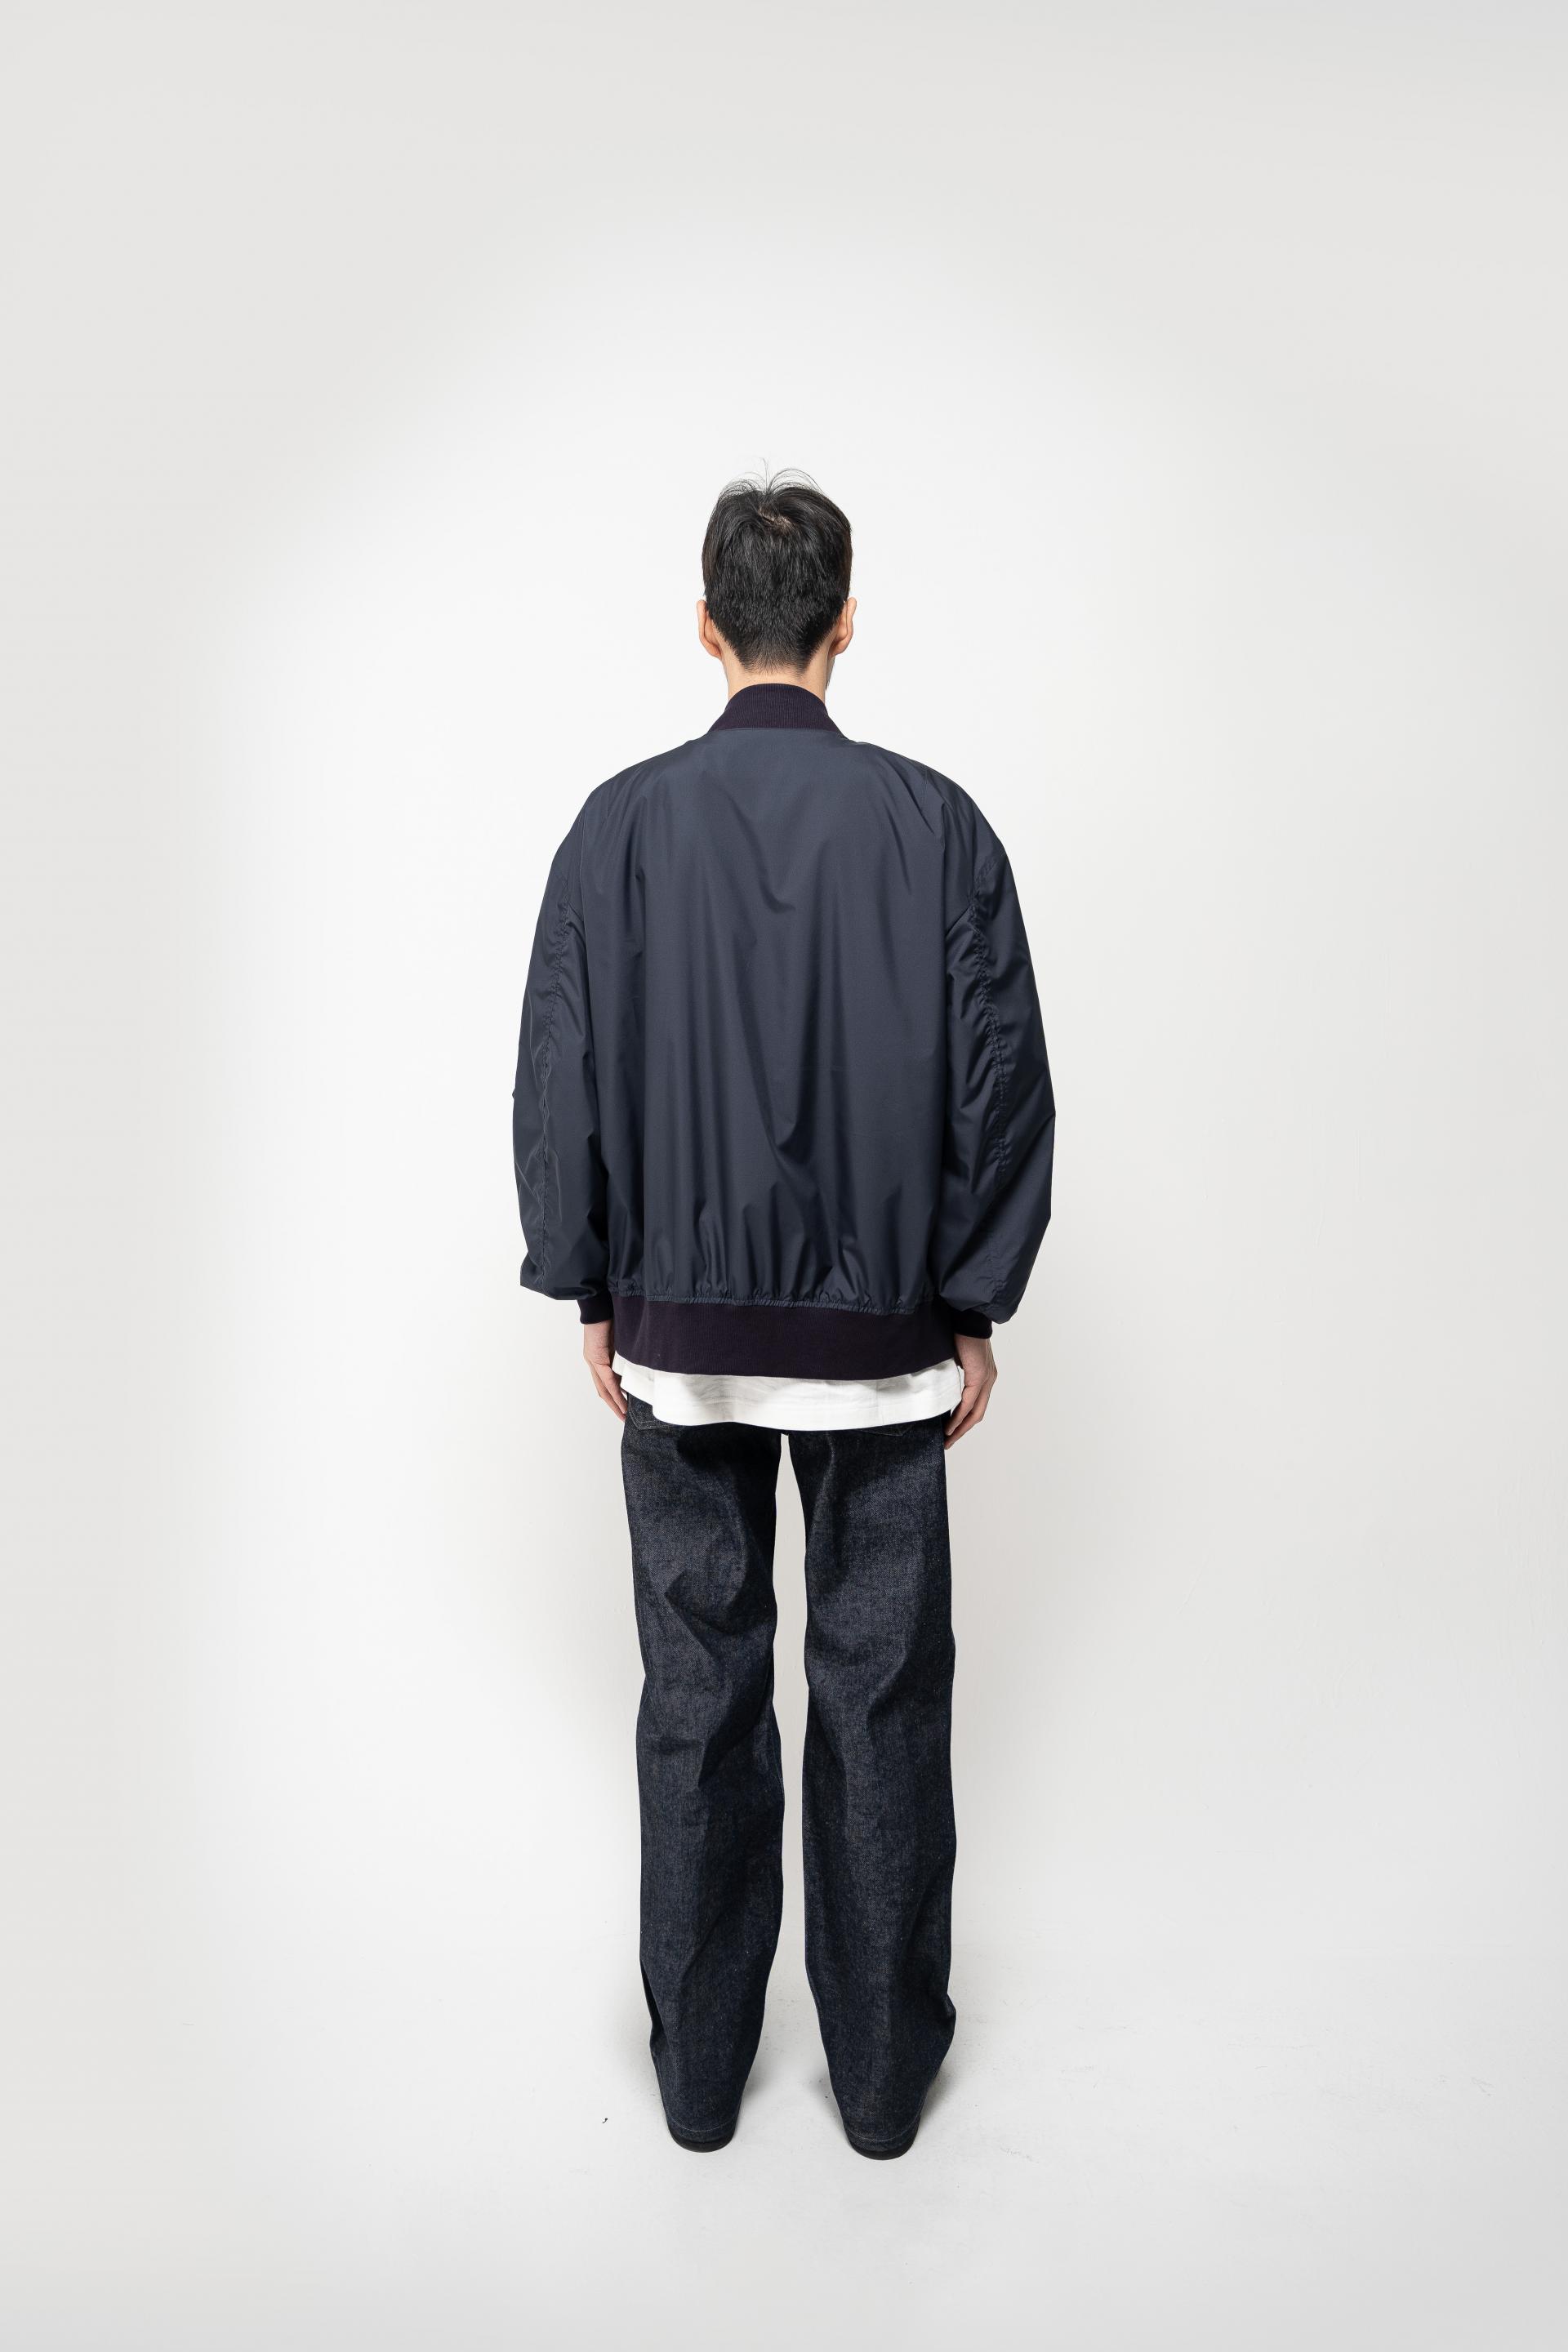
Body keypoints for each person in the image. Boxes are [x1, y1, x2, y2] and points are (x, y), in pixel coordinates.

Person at [512, 473, 1054, 2159]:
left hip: (677, 1337)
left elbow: (561, 1072)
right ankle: (882, 2092)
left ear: (705, 625)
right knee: (881, 1701)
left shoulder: (618, 830)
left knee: (697, 1699)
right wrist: (972, 1300)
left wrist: (588, 1281)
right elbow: (1003, 1083)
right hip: (883, 1343)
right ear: (844, 624)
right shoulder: (937, 827)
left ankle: (697, 2086)